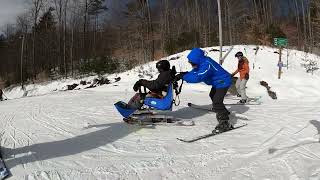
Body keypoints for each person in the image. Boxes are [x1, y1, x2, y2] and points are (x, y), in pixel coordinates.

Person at [175, 48, 232, 132]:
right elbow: (195, 72)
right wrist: (185, 74)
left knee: (217, 101)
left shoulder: (207, 65)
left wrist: (183, 77)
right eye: (190, 62)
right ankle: (222, 111)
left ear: (197, 60)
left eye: (192, 62)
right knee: (212, 95)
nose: (191, 64)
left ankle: (224, 122)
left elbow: (198, 76)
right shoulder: (201, 63)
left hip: (223, 81)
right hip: (217, 82)